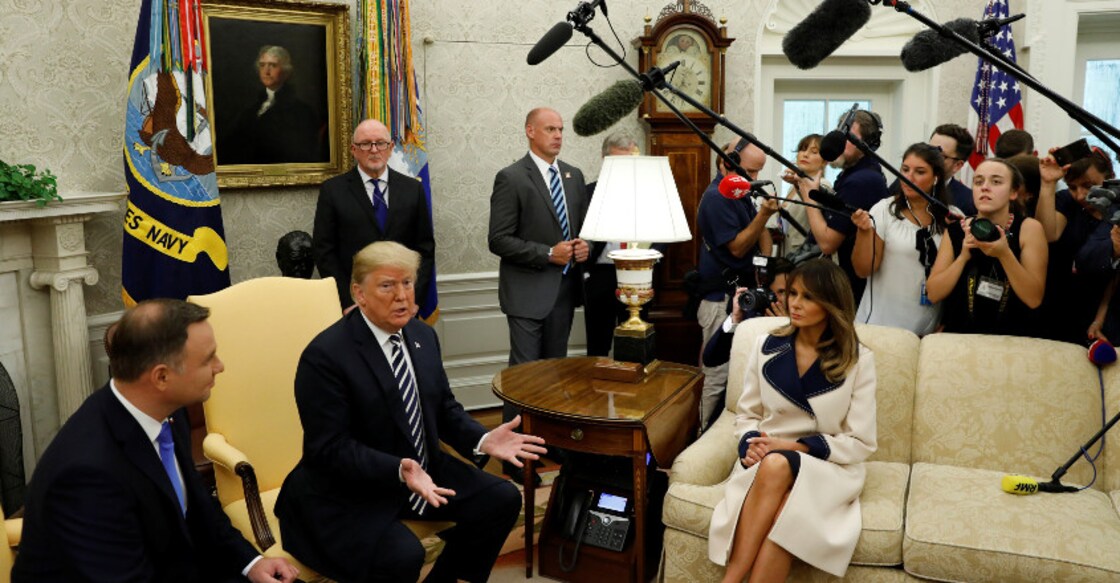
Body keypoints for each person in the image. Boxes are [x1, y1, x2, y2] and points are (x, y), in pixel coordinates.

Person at [275, 241, 545, 583]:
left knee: (502, 499)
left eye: (407, 283)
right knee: (403, 555)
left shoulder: (422, 336)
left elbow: (443, 409)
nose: (401, 296)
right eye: (387, 286)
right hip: (350, 486)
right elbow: (329, 448)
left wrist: (482, 439)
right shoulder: (325, 356)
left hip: (422, 467)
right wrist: (398, 469)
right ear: (359, 293)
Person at [13, 299, 299, 583]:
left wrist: (251, 563)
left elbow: (197, 506)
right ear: (161, 377)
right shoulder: (87, 475)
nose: (220, 366)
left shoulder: (165, 410)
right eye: (208, 359)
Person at [708, 258, 877, 582]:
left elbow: (861, 442)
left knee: (779, 466)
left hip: (827, 466)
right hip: (765, 462)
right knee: (786, 506)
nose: (795, 304)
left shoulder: (858, 360)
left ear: (831, 304)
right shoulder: (765, 346)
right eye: (793, 293)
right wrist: (750, 444)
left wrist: (792, 447)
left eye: (808, 297)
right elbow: (747, 415)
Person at [488, 107, 590, 453]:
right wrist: (548, 253)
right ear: (530, 131)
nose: (558, 135)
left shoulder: (573, 176)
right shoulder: (512, 177)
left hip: (564, 292)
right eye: (550, 129)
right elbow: (498, 240)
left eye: (560, 129)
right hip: (526, 294)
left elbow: (581, 230)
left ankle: (549, 444)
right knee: (524, 376)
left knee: (553, 373)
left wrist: (584, 247)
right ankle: (514, 452)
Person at [696, 139, 778, 430]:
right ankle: (702, 434)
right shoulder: (717, 197)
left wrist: (764, 268)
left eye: (758, 172)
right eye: (750, 171)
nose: (754, 179)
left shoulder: (739, 192)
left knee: (740, 375)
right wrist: (764, 214)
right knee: (717, 375)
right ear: (727, 162)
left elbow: (759, 234)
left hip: (740, 296)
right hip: (720, 301)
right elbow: (738, 248)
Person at [313, 119, 436, 311]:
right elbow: (324, 252)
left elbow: (425, 249)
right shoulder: (333, 190)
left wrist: (413, 298)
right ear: (354, 150)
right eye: (365, 144)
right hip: (356, 302)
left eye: (380, 143)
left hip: (403, 301)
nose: (373, 149)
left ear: (391, 147)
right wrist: (348, 301)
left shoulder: (413, 189)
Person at [926, 158, 1048, 336]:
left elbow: (1034, 298)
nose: (985, 187)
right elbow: (933, 294)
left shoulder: (1029, 228)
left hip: (1012, 339)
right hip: (961, 337)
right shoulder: (957, 230)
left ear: (1013, 192)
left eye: (996, 182)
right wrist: (962, 258)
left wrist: (1004, 254)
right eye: (978, 181)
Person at [851, 143, 954, 336]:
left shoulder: (952, 217)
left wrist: (948, 322)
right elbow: (863, 270)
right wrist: (863, 232)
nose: (909, 177)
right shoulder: (883, 210)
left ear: (936, 178)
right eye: (905, 169)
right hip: (878, 327)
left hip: (926, 333)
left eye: (920, 172)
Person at [789, 110, 891, 303]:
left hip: (852, 290)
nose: (838, 143)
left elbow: (828, 243)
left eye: (849, 138)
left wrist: (809, 194)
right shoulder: (854, 173)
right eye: (839, 134)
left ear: (867, 144)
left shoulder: (861, 181)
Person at [1035, 148, 1117, 343]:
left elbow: (1115, 277)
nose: (1080, 195)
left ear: (1109, 177)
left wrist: (1099, 320)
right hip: (1058, 305)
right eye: (1073, 187)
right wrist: (1047, 184)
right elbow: (1048, 234)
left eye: (1089, 186)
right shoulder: (1066, 201)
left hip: (1102, 310)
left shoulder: (1116, 211)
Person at [585, 131, 642, 357]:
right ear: (604, 159)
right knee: (598, 346)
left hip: (638, 274)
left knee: (635, 345)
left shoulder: (648, 192)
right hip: (601, 274)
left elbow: (661, 236)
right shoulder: (588, 193)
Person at [219, 45, 324, 165]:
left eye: (273, 65)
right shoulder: (250, 110)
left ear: (285, 71)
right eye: (262, 65)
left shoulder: (302, 112)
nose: (266, 71)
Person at [701, 256, 794, 370]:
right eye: (769, 292)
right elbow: (710, 359)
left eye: (784, 292)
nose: (778, 298)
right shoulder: (751, 316)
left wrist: (787, 328)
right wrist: (735, 319)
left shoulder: (799, 321)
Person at [770, 134, 826, 256]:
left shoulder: (824, 186)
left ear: (824, 162)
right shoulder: (794, 185)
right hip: (786, 253)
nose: (805, 154)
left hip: (806, 254)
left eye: (814, 152)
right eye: (803, 149)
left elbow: (817, 206)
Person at [927, 123, 977, 216]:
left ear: (957, 165)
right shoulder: (904, 184)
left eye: (940, 156)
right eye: (928, 151)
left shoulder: (969, 202)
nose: (930, 158)